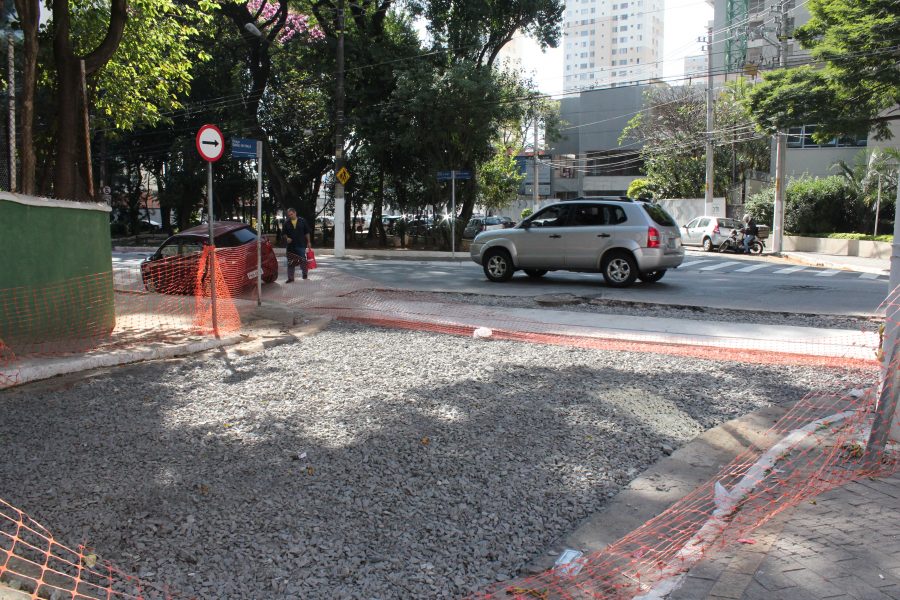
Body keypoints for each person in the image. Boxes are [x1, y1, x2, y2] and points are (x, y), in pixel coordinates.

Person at [282, 208, 312, 282]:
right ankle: (290, 278)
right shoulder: (286, 223)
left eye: (291, 214)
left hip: (301, 244)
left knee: (303, 261)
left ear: (295, 213)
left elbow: (307, 232)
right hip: (290, 246)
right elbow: (283, 234)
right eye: (289, 215)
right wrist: (287, 238)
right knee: (290, 262)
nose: (290, 216)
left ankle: (304, 274)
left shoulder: (302, 221)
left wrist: (309, 242)